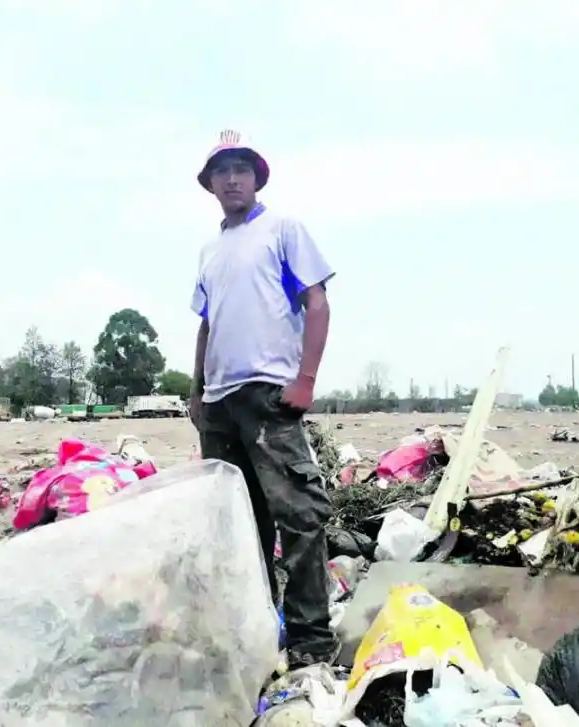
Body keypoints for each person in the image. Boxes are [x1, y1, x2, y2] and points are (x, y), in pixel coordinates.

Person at [188, 129, 338, 668]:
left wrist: (306, 380)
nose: (232, 179)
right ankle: (255, 629)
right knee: (239, 524)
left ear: (256, 178)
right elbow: (207, 325)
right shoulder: (210, 250)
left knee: (298, 514)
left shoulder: (282, 230)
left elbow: (317, 304)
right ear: (210, 184)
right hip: (221, 402)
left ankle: (311, 640)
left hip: (267, 392)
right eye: (222, 171)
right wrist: (196, 389)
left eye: (241, 170)